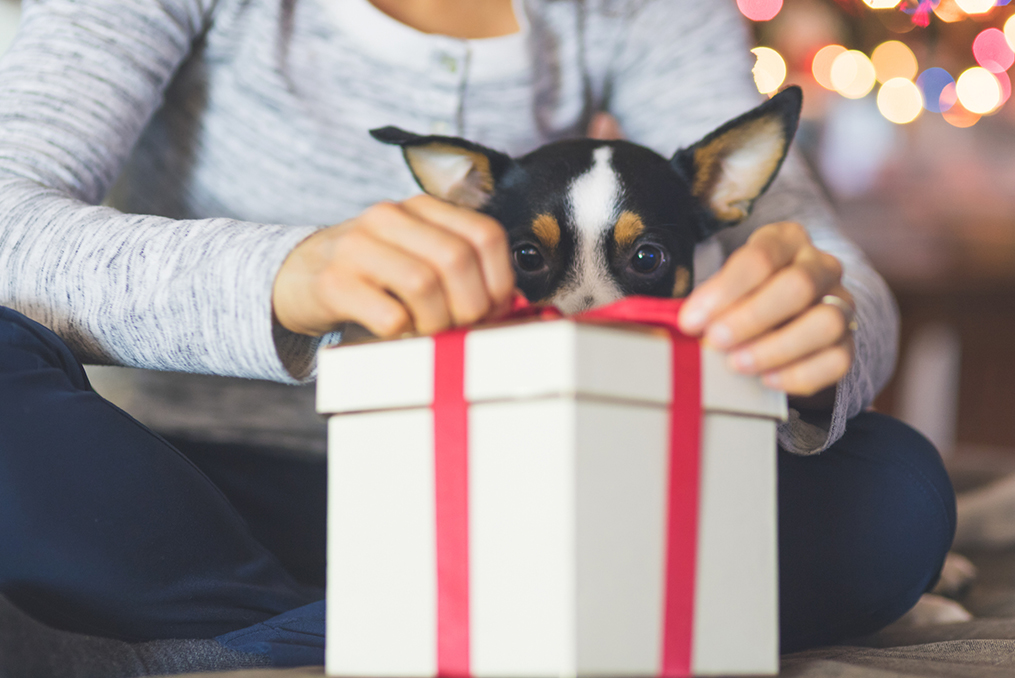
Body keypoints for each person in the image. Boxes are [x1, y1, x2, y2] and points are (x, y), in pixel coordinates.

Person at [0, 0, 955, 669]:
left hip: (535, 496)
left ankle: (262, 632)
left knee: (892, 490)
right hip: (191, 475)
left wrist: (820, 326)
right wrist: (288, 277)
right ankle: (515, 629)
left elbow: (820, 254)